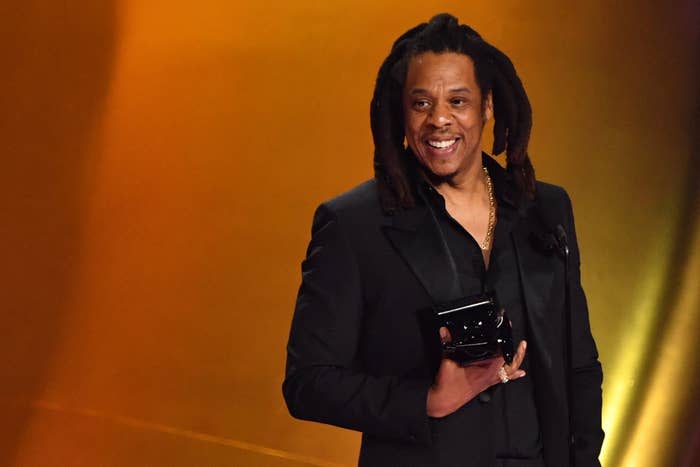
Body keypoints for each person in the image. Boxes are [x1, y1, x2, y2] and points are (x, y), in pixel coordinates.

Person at [283, 13, 603, 467]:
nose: (439, 120)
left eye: (458, 100)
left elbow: (580, 367)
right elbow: (307, 382)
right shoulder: (354, 225)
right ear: (402, 112)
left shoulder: (546, 210)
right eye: (421, 103)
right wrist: (425, 400)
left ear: (487, 107)